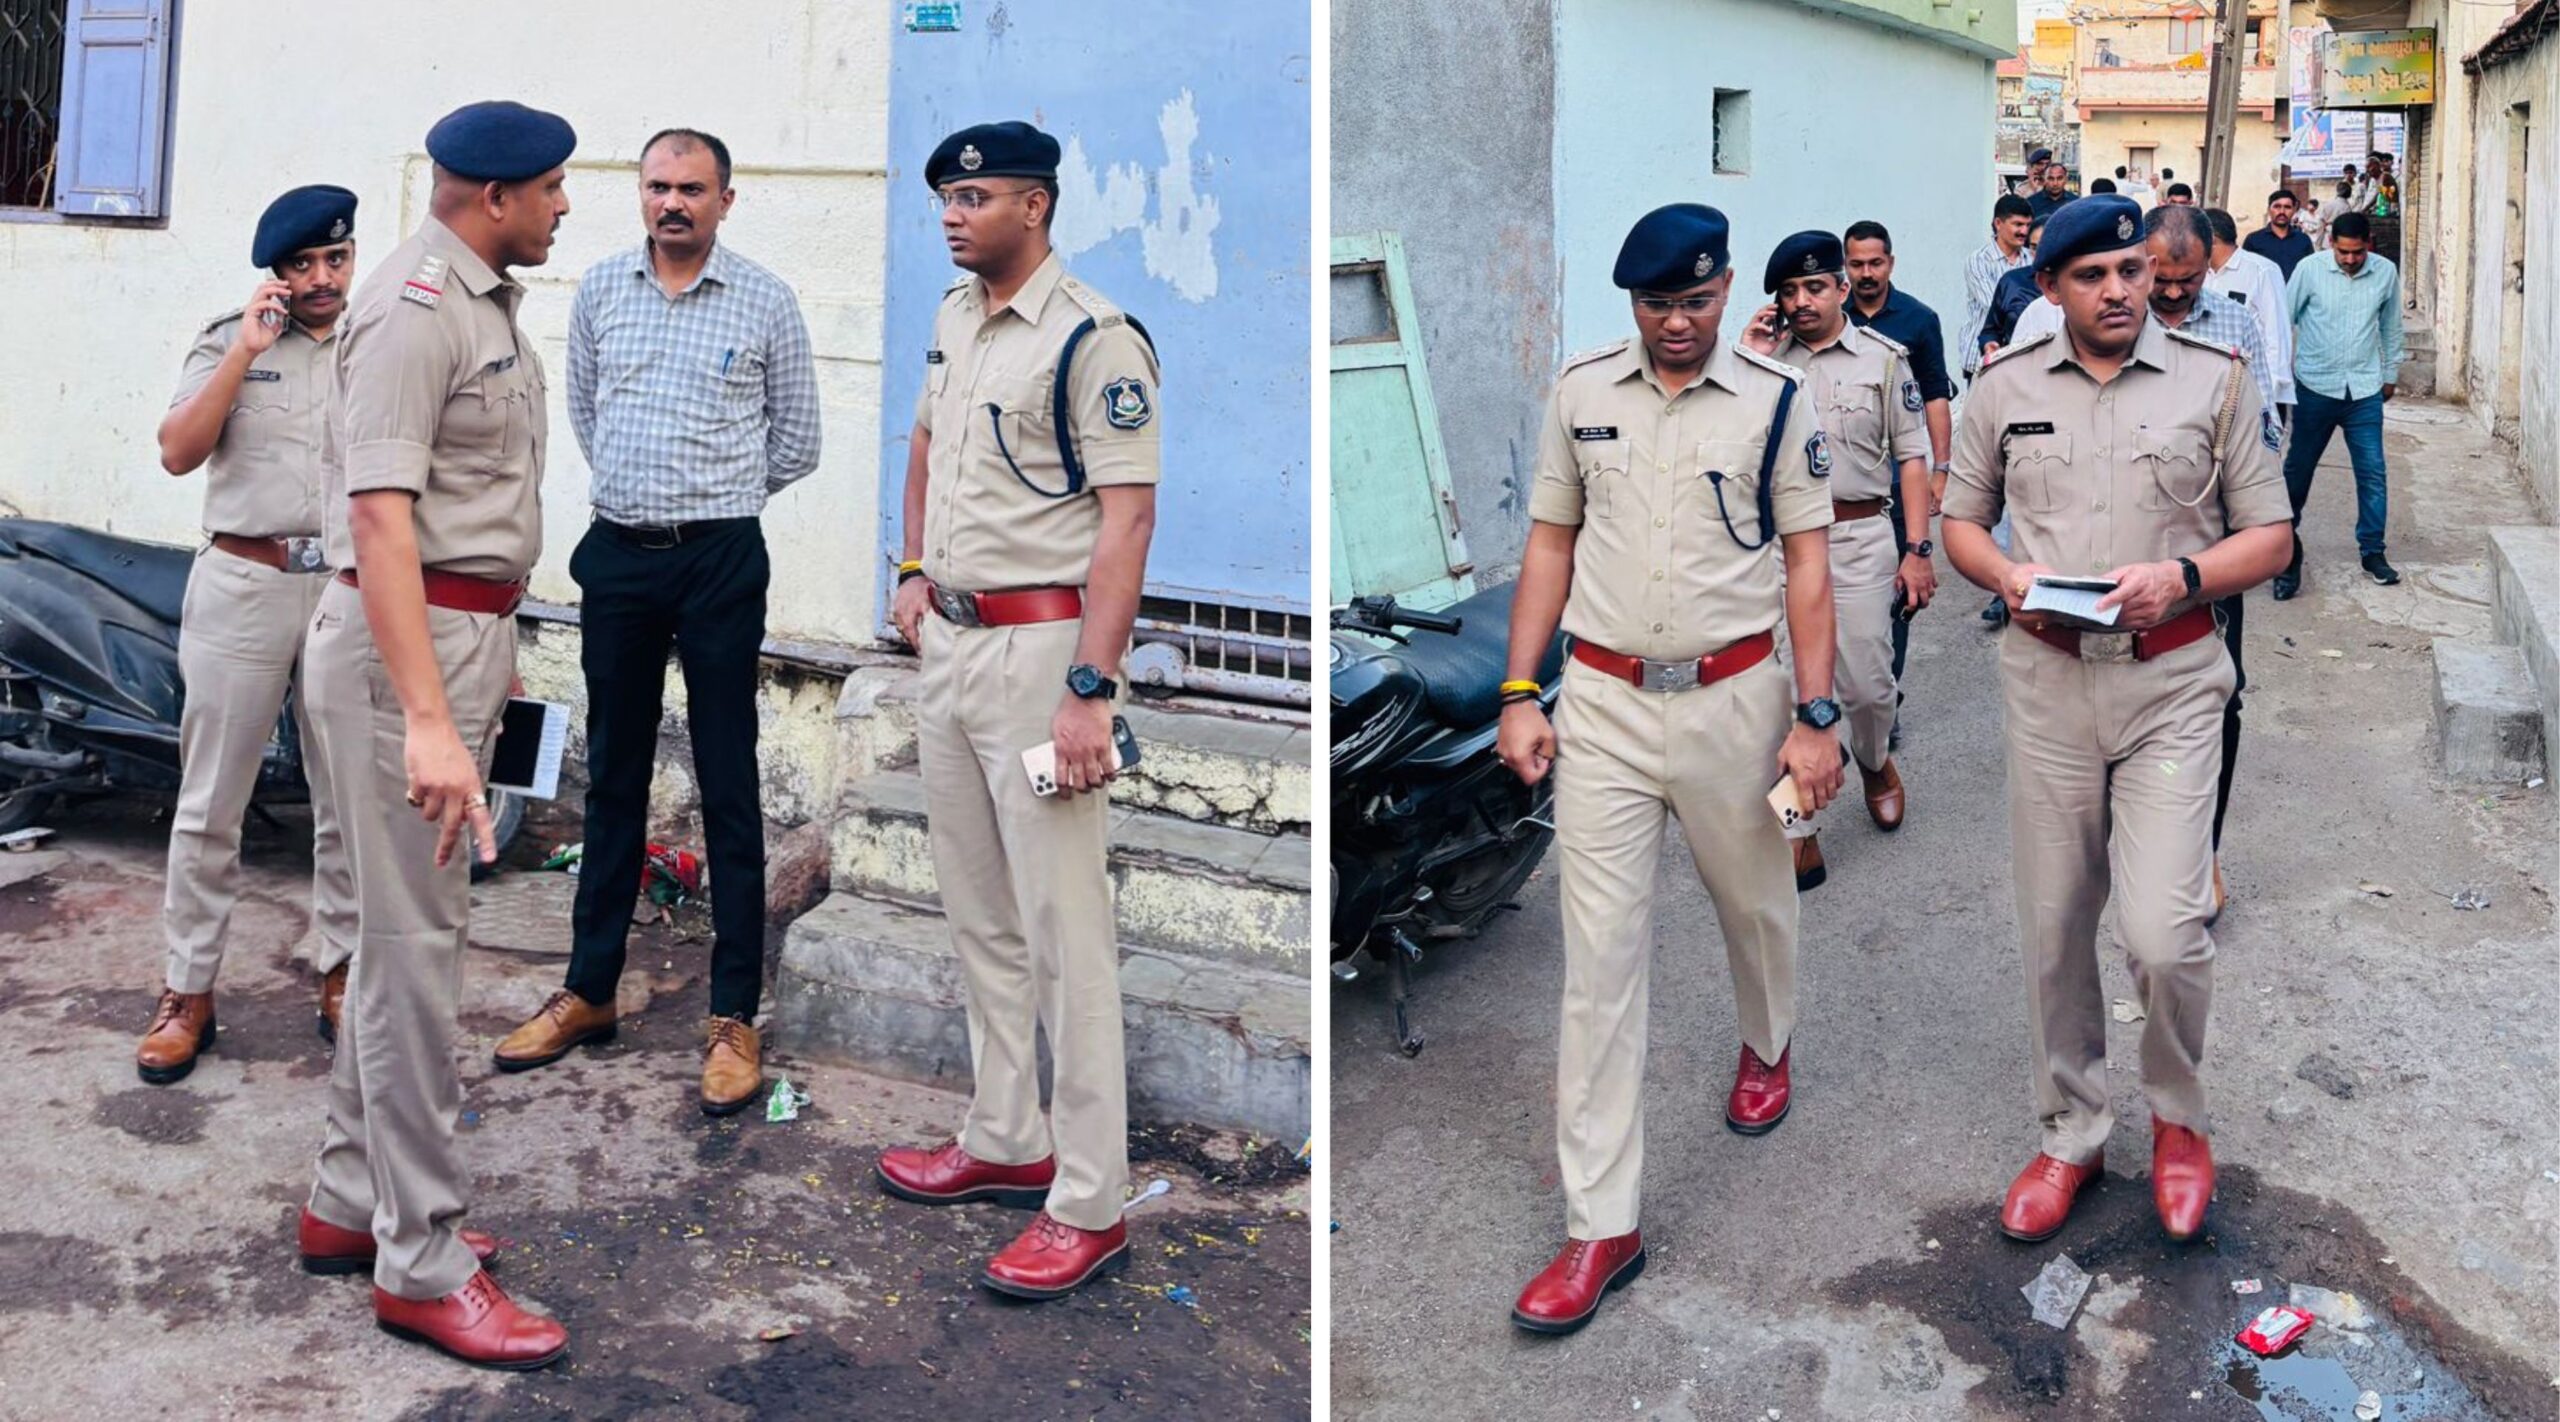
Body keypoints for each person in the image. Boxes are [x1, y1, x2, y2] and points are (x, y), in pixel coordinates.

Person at [1495, 202, 1842, 1336]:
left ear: (1728, 289)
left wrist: (1816, 715)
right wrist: (1519, 691)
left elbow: (1808, 564)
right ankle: (1602, 1224)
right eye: (1656, 304)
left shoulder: (1775, 401)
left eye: (1694, 300)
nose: (1676, 322)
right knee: (1597, 964)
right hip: (1601, 703)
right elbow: (1550, 542)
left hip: (1736, 703)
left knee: (1756, 906)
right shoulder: (1581, 392)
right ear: (1631, 304)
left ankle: (1767, 1041)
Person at [1941, 194, 2294, 1247]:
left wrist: (2182, 577)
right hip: (2048, 685)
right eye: (2091, 276)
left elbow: (2270, 536)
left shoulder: (2214, 381)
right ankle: (2074, 1130)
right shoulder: (2002, 387)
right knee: (2054, 926)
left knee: (2164, 932)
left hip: (2173, 683)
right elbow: (1960, 521)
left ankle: (2178, 1119)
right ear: (2050, 287)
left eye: (2131, 270)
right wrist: (2004, 574)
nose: (2118, 291)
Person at [299, 100, 575, 1369]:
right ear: (494, 198)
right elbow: (379, 521)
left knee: (391, 935)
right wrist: (427, 719)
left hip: (458, 635)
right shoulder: (417, 309)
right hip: (405, 650)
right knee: (416, 952)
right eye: (552, 188)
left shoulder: (476, 300)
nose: (564, 206)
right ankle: (420, 1258)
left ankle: (348, 1199)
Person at [871, 120, 1161, 1303]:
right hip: (950, 647)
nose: (952, 215)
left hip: (1044, 662)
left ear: (1034, 206)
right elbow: (925, 441)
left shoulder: (1095, 339)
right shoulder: (957, 316)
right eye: (945, 197)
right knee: (980, 912)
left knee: (1063, 934)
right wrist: (909, 571)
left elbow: (1128, 521)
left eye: (975, 197)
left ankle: (1089, 1200)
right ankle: (1004, 1135)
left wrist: (1091, 688)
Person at [492, 127, 821, 1114]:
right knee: (613, 779)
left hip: (720, 560)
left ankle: (733, 1015)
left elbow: (797, 442)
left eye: (692, 188)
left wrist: (712, 499)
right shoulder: (601, 290)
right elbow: (590, 416)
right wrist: (648, 498)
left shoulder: (765, 299)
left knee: (727, 782)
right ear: (639, 194)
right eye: (657, 186)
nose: (672, 202)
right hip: (620, 557)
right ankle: (590, 990)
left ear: (726, 200)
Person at [137, 186, 360, 1085]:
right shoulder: (229, 337)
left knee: (345, 797)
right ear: (276, 273)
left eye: (336, 259)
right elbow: (177, 451)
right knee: (210, 803)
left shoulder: (377, 341)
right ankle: (188, 992)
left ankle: (342, 971)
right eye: (303, 265)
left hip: (344, 586)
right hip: (243, 581)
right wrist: (244, 354)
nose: (322, 279)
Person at [1751, 231, 1932, 890]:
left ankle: (1874, 760)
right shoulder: (1758, 366)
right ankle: (1797, 827)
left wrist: (1917, 550)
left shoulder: (1883, 361)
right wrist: (1750, 358)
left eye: (1814, 287)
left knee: (1866, 688)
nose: (1801, 301)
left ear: (1841, 288)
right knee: (1783, 694)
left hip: (1856, 539)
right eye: (1788, 291)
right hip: (1779, 546)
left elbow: (1911, 457)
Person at [2145, 204, 2280, 927]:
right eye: (2160, 280)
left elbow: (2268, 427)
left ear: (2210, 266)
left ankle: (2203, 851)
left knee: (2219, 693)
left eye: (2187, 280)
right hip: (2121, 542)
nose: (2172, 295)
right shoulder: (2107, 318)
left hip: (2210, 549)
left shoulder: (2233, 322)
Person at [1842, 221, 1955, 698]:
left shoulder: (1918, 319)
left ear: (1890, 262)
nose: (1866, 273)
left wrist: (1941, 470)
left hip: (1895, 484)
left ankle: (1886, 696)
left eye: (1875, 263)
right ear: (1845, 266)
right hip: (1838, 486)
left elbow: (1935, 397)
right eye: (1856, 264)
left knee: (1898, 593)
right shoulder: (1829, 316)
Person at [2277, 211, 2404, 599]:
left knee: (2373, 472)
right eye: (2343, 252)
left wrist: (2390, 373)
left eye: (2358, 252)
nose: (2350, 259)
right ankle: (2283, 552)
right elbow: (2282, 322)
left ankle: (2373, 552)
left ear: (2369, 245)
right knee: (2298, 471)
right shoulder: (2309, 270)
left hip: (2363, 390)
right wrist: (2279, 379)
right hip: (2315, 387)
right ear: (2331, 243)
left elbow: (2391, 326)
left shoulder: (2385, 273)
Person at [2201, 209, 2295, 422]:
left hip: (2255, 392)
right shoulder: (2200, 275)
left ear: (2211, 240)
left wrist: (2267, 397)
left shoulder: (2261, 271)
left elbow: (2277, 335)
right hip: (2211, 393)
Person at [1962, 196, 2037, 383]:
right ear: (1998, 223)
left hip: (2024, 359)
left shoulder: (2032, 259)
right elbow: (1995, 305)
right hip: (1984, 355)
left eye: (2028, 225)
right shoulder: (1979, 260)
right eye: (2018, 224)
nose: (2024, 231)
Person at [2241, 188, 2314, 281]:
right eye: (2277, 206)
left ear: (2294, 211)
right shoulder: (2254, 240)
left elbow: (2310, 272)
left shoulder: (2303, 240)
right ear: (2268, 210)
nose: (2282, 212)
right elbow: (2245, 273)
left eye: (2287, 207)